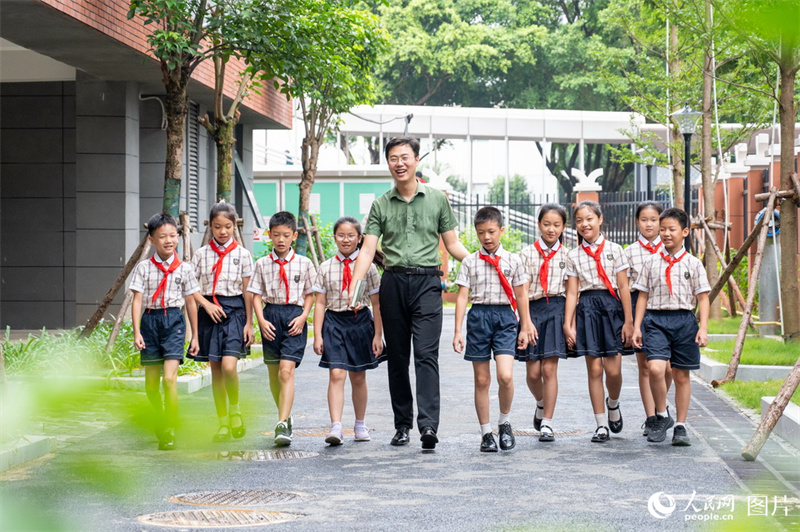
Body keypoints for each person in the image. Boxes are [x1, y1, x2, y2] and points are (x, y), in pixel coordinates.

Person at [350, 136, 469, 450]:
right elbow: (367, 251)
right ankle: (402, 425)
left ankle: (428, 426)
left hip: (428, 284)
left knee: (426, 357)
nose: (399, 163)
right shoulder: (380, 204)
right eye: (393, 158)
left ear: (417, 160)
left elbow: (452, 243)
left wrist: (477, 263)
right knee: (398, 358)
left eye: (405, 157)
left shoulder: (436, 199)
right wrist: (355, 286)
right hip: (393, 283)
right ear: (388, 163)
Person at [452, 207, 530, 452]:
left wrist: (525, 325)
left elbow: (521, 294)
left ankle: (504, 422)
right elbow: (462, 297)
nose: (487, 237)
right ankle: (486, 432)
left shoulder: (514, 260)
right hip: (479, 317)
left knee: (505, 376)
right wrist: (457, 331)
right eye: (481, 233)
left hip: (506, 317)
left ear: (502, 231)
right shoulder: (469, 261)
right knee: (482, 380)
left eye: (491, 232)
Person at [632, 208, 710, 446]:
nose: (665, 233)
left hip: (685, 321)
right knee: (655, 368)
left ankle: (681, 426)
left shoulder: (694, 264)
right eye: (662, 229)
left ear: (685, 232)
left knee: (681, 375)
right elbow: (642, 296)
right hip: (655, 321)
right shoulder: (650, 262)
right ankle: (662, 414)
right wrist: (636, 327)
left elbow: (703, 298)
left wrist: (703, 328)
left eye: (671, 229)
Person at [563, 201, 633, 443]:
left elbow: (624, 286)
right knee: (594, 369)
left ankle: (613, 403)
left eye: (589, 218)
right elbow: (572, 293)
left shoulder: (615, 250)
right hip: (588, 308)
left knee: (613, 370)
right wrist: (568, 324)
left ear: (600, 220)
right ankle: (601, 424)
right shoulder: (573, 255)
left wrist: (629, 321)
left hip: (612, 306)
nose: (585, 224)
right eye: (580, 220)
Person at [130, 213, 200, 451]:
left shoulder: (185, 269)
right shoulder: (143, 268)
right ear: (152, 240)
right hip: (150, 320)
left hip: (174, 322)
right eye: (162, 236)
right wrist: (136, 332)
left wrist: (194, 336)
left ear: (179, 237)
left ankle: (169, 427)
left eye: (172, 235)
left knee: (169, 379)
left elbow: (191, 303)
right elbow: (137, 301)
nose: (168, 240)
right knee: (151, 384)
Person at [313, 216, 385, 446]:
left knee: (358, 376)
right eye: (341, 235)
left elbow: (377, 303)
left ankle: (360, 424)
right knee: (336, 374)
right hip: (334, 323)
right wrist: (317, 335)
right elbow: (321, 303)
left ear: (360, 238)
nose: (346, 240)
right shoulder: (325, 267)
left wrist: (377, 334)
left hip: (360, 322)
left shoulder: (369, 266)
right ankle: (336, 426)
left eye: (351, 235)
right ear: (334, 238)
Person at [247, 211, 315, 447]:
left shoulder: (304, 263)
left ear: (294, 235)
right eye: (276, 235)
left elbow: (310, 294)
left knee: (286, 372)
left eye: (286, 235)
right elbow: (255, 295)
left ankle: (281, 422)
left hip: (294, 317)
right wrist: (261, 321)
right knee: (274, 374)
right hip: (271, 315)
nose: (281, 240)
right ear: (270, 235)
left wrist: (304, 316)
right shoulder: (262, 264)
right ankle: (285, 416)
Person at [191, 202, 254, 442]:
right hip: (209, 313)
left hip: (235, 312)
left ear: (234, 226)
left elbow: (249, 291)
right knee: (216, 371)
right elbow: (190, 287)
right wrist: (205, 305)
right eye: (217, 227)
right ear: (210, 227)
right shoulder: (201, 254)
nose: (223, 232)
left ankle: (235, 409)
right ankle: (222, 423)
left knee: (229, 366)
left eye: (228, 226)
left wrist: (250, 323)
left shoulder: (243, 255)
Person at [516, 203, 570, 443]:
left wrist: (569, 323)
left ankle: (547, 422)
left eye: (556, 225)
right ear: (538, 225)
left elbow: (572, 292)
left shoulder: (568, 255)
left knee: (549, 369)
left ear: (563, 227)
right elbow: (522, 290)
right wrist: (525, 322)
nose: (551, 229)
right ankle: (540, 402)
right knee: (533, 372)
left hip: (557, 309)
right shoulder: (526, 254)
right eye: (547, 224)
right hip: (533, 310)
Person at [625, 201, 673, 438]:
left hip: (668, 308)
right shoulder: (630, 252)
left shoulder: (671, 248)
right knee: (645, 365)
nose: (649, 224)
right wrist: (631, 321)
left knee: (667, 366)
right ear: (637, 222)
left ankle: (661, 405)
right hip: (640, 308)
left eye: (654, 219)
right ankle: (652, 417)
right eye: (644, 219)